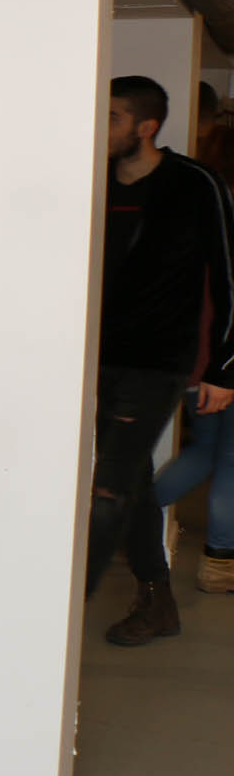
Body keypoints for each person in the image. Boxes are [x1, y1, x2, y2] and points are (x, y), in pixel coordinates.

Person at [87, 77, 234, 646]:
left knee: (112, 483)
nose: (101, 127)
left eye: (113, 117)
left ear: (146, 127)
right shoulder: (94, 179)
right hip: (95, 358)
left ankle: (68, 606)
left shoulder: (194, 184)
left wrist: (223, 367)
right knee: (132, 478)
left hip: (159, 362)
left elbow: (229, 276)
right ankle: (158, 600)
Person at [151, 120, 234, 594]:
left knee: (203, 451)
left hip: (195, 351)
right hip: (227, 355)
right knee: (230, 461)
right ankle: (219, 564)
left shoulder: (198, 205)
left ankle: (126, 519)